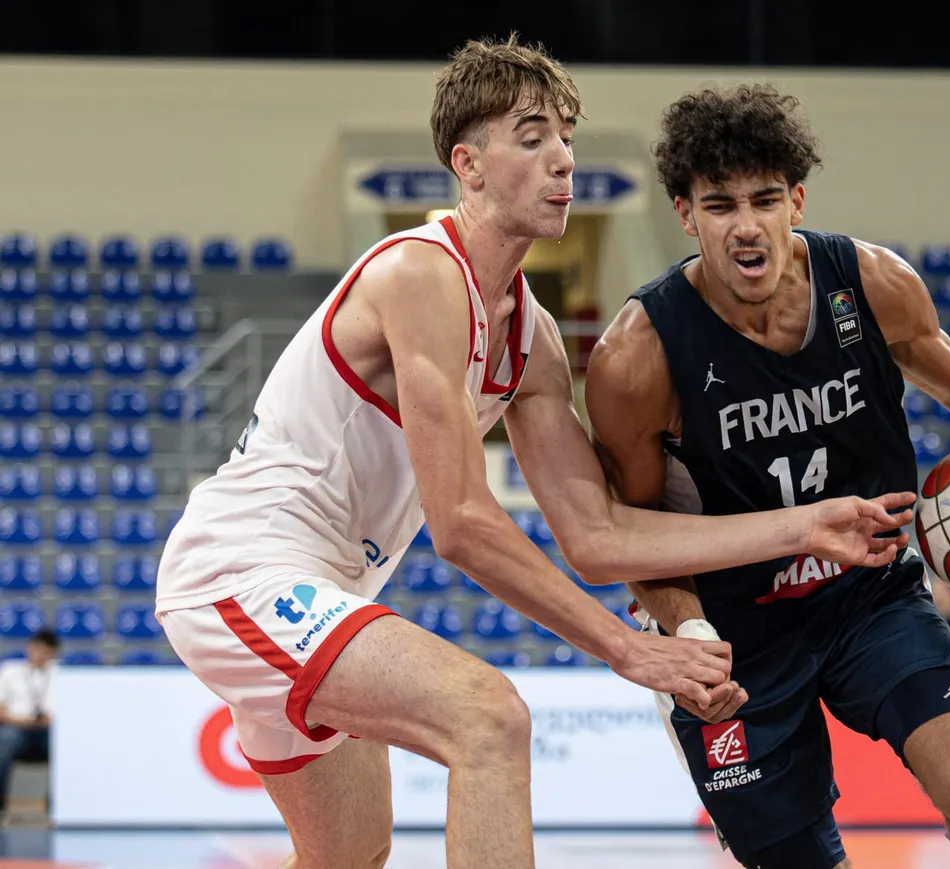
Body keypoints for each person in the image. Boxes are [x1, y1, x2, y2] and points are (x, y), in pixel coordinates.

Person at [153, 38, 911, 869]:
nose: (563, 161)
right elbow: (463, 524)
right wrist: (630, 648)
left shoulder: (535, 340)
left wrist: (803, 525)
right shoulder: (419, 276)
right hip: (241, 571)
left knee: (348, 853)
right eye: (532, 136)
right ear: (467, 164)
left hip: (322, 586)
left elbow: (598, 535)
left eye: (568, 139)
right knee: (489, 717)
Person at [585, 84, 950, 869]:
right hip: (734, 632)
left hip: (867, 596)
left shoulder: (870, 283)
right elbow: (632, 535)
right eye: (720, 204)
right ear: (685, 214)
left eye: (765, 199)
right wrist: (690, 637)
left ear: (796, 200)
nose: (746, 225)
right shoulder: (639, 356)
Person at [0, 629, 56, 823]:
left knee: (64, 745)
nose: (38, 654)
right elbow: (1, 709)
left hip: (49, 730)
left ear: (52, 652)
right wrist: (20, 720)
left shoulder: (61, 673)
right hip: (17, 727)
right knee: (5, 740)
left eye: (44, 650)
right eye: (34, 649)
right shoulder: (10, 671)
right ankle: (1, 808)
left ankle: (55, 807)